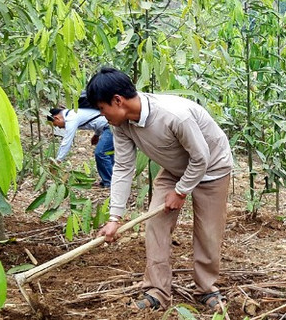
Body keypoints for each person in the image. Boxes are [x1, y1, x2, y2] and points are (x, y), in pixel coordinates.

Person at [89, 67, 233, 313]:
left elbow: (201, 158)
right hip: (175, 168)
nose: (103, 116)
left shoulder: (174, 115)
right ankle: (157, 291)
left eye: (102, 109)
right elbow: (123, 167)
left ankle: (206, 289)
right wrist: (115, 217)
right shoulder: (121, 125)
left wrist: (181, 191)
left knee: (208, 231)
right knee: (155, 226)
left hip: (212, 168)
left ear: (118, 100)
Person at [47, 106, 114, 188]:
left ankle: (110, 182)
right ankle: (111, 181)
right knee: (108, 154)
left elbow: (67, 142)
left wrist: (58, 161)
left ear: (56, 118)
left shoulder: (71, 118)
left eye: (56, 125)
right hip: (108, 125)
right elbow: (97, 120)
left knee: (101, 153)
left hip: (110, 126)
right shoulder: (72, 113)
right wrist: (97, 135)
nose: (59, 127)